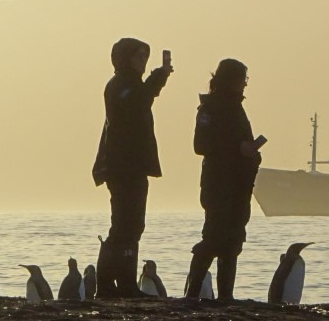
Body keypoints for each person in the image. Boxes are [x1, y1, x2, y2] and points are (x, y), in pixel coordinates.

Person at [92, 38, 173, 297]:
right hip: (123, 166)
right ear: (125, 58)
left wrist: (155, 80)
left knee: (131, 225)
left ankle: (121, 282)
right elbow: (137, 102)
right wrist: (157, 79)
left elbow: (140, 99)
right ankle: (110, 283)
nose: (143, 62)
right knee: (125, 225)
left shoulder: (128, 85)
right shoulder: (121, 86)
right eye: (139, 57)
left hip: (129, 165)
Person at [185, 59, 263, 301]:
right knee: (214, 238)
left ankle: (225, 296)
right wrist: (238, 147)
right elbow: (201, 145)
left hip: (239, 185)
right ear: (231, 80)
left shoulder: (236, 108)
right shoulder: (210, 109)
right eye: (243, 80)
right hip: (218, 184)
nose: (245, 85)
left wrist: (251, 152)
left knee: (233, 240)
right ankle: (192, 293)